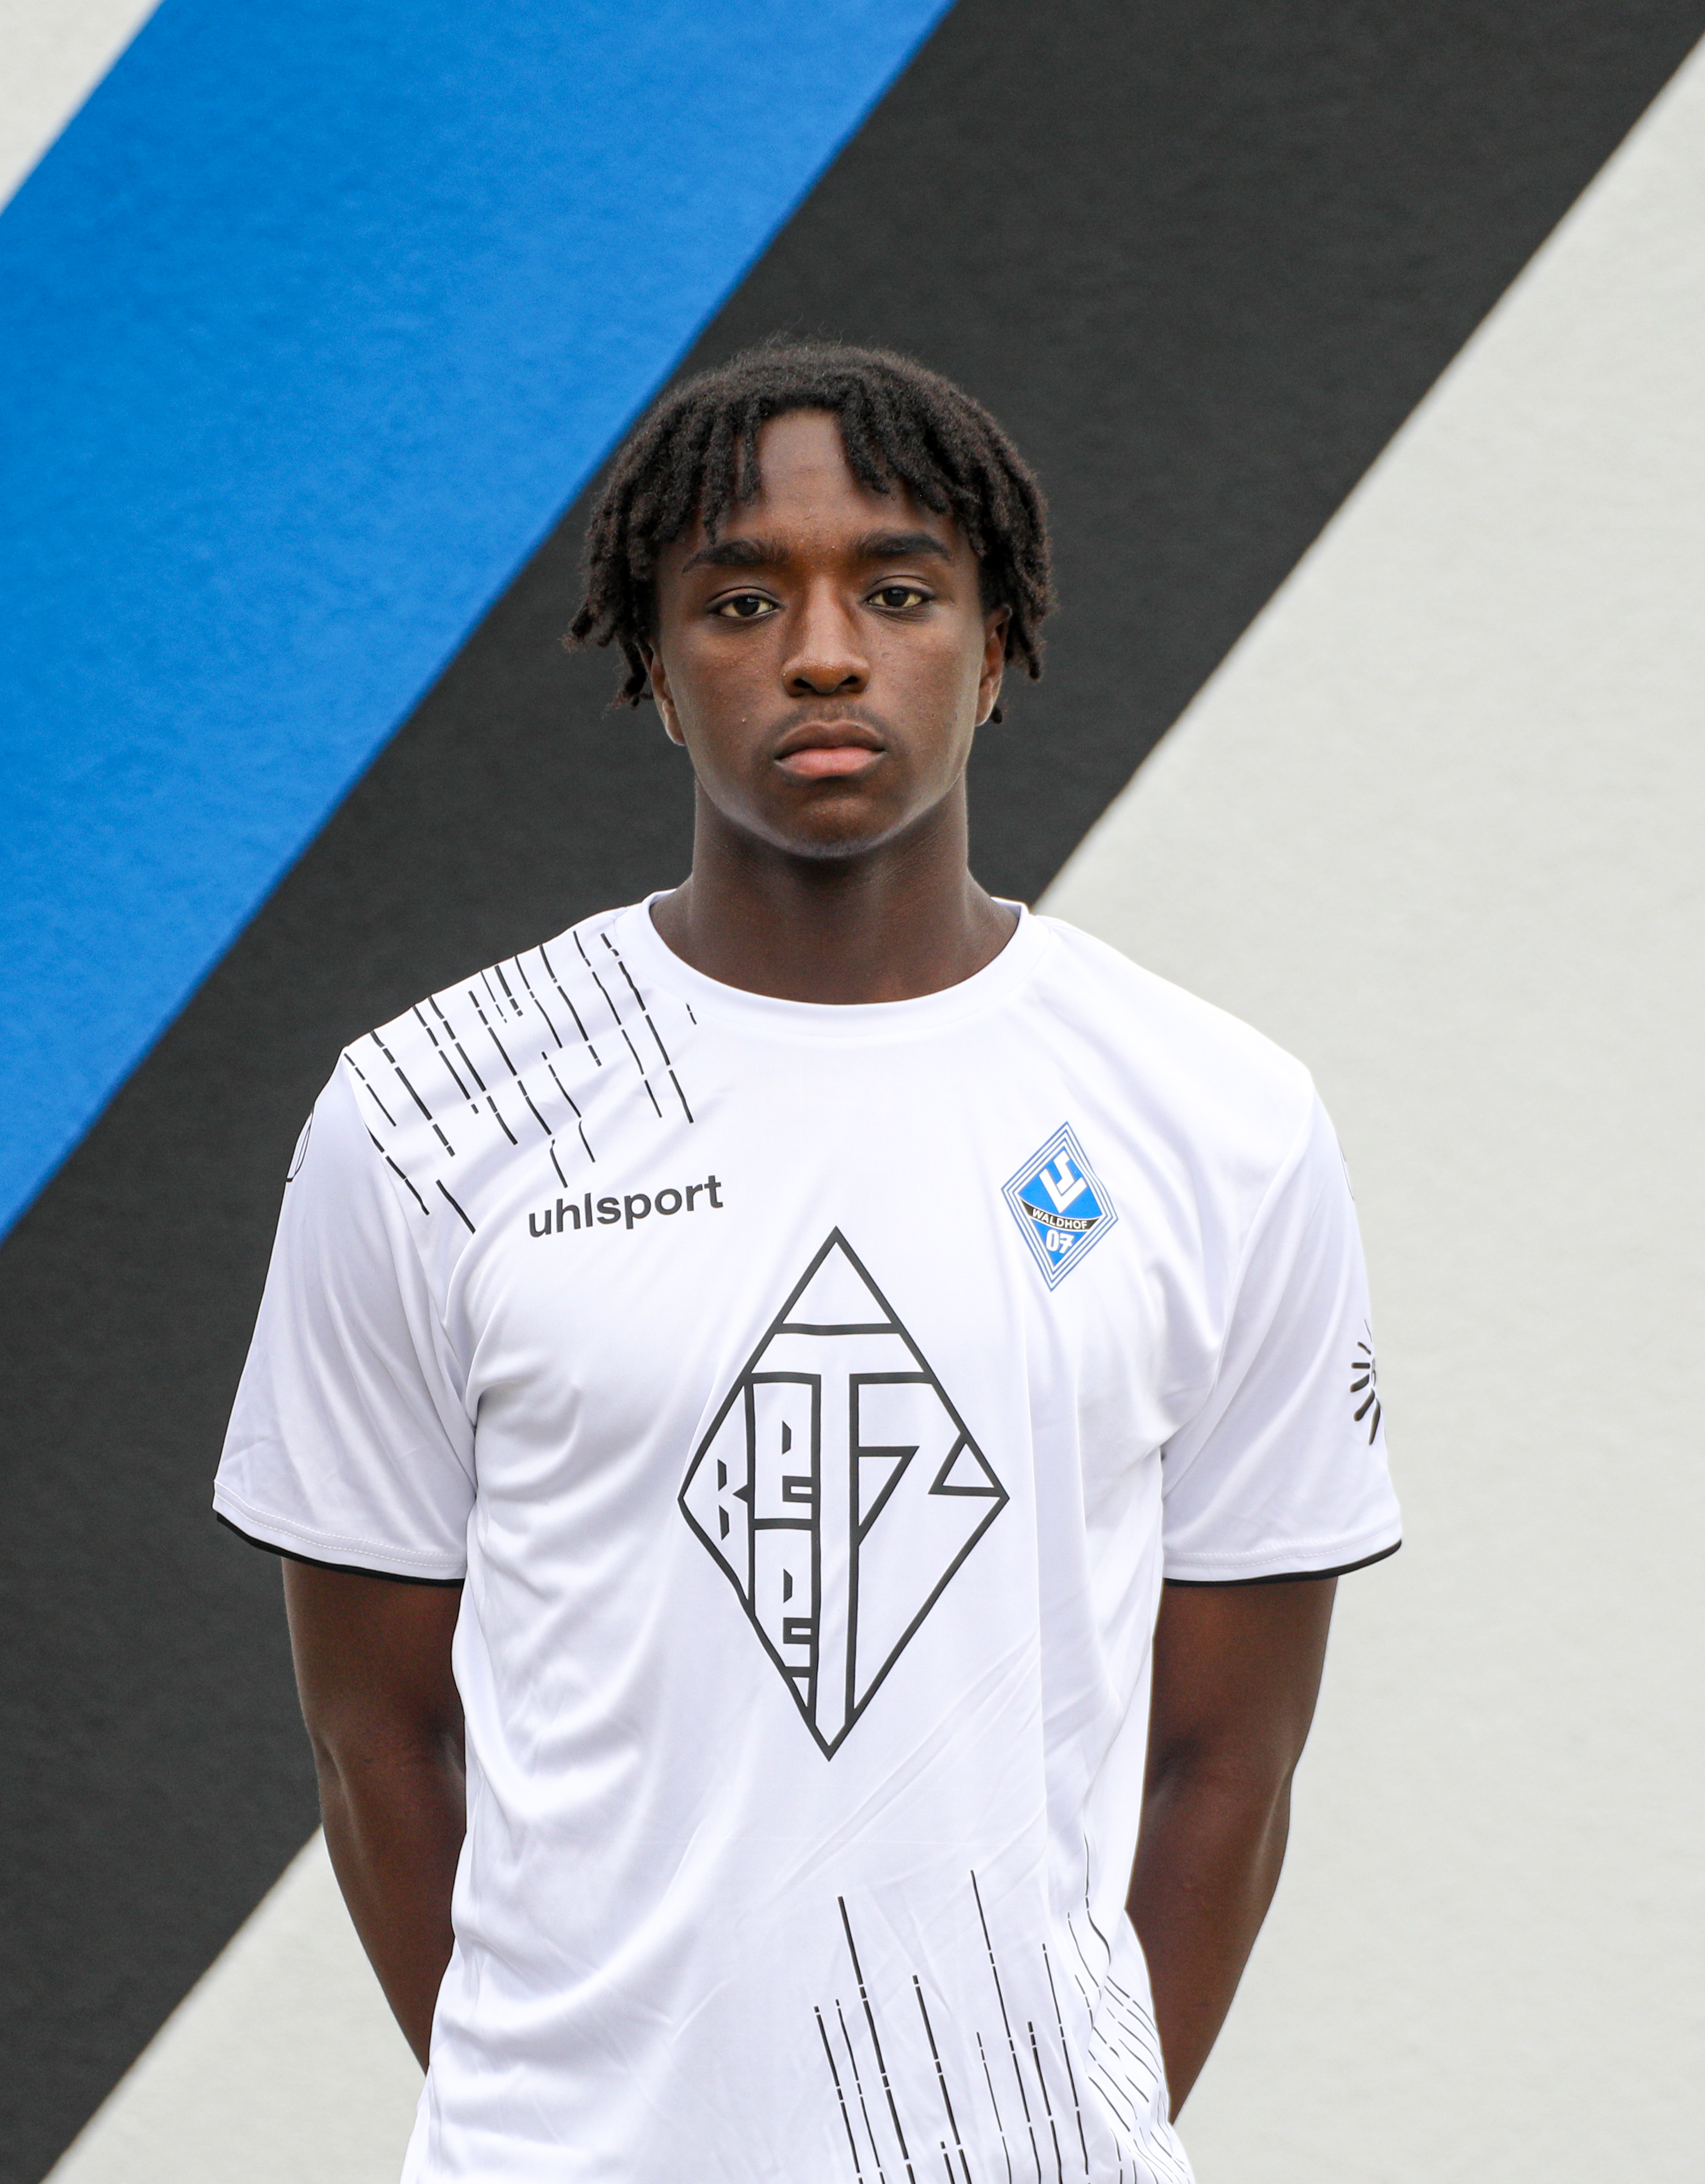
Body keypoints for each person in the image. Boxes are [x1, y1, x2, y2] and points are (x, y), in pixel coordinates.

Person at [214, 340, 1401, 2183]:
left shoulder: (1218, 1119)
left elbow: (1228, 1758)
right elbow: (380, 1731)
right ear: (653, 665)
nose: (825, 654)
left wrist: (1053, 2134)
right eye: (741, 599)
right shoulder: (432, 1117)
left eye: (900, 592)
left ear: (994, 650)